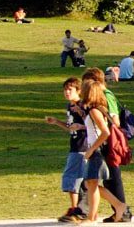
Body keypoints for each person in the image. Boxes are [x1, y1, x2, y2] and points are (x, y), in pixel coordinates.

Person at [76, 75, 129, 223]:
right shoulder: (95, 109)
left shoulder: (94, 111)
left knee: (91, 184)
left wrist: (91, 149)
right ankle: (119, 205)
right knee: (90, 184)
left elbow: (105, 133)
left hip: (97, 151)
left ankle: (92, 217)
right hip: (97, 150)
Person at [46, 78, 90, 222]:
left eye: (70, 89)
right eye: (65, 89)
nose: (66, 92)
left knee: (72, 177)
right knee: (79, 179)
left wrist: (81, 123)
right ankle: (79, 209)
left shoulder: (82, 106)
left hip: (82, 146)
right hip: (74, 144)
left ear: (78, 91)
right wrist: (57, 122)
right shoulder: (70, 107)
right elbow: (71, 127)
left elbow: (92, 125)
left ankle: (75, 210)